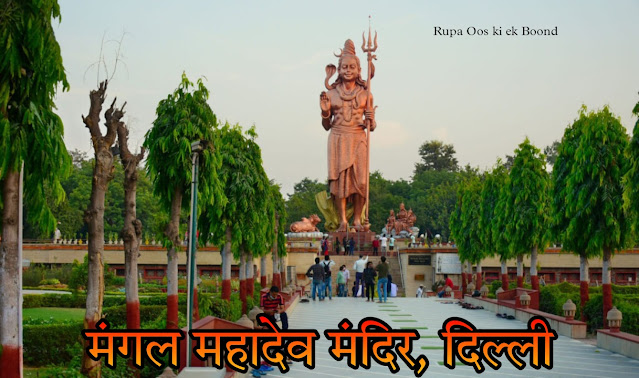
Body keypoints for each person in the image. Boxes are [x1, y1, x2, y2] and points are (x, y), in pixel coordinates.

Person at [319, 39, 376, 232]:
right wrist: (325, 112)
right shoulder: (331, 93)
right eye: (344, 67)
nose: (348, 70)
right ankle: (343, 221)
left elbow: (372, 126)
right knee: (340, 182)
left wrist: (370, 118)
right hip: (338, 137)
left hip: (358, 136)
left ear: (359, 70)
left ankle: (358, 220)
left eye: (352, 67)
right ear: (339, 69)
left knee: (361, 181)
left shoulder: (366, 94)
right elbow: (326, 125)